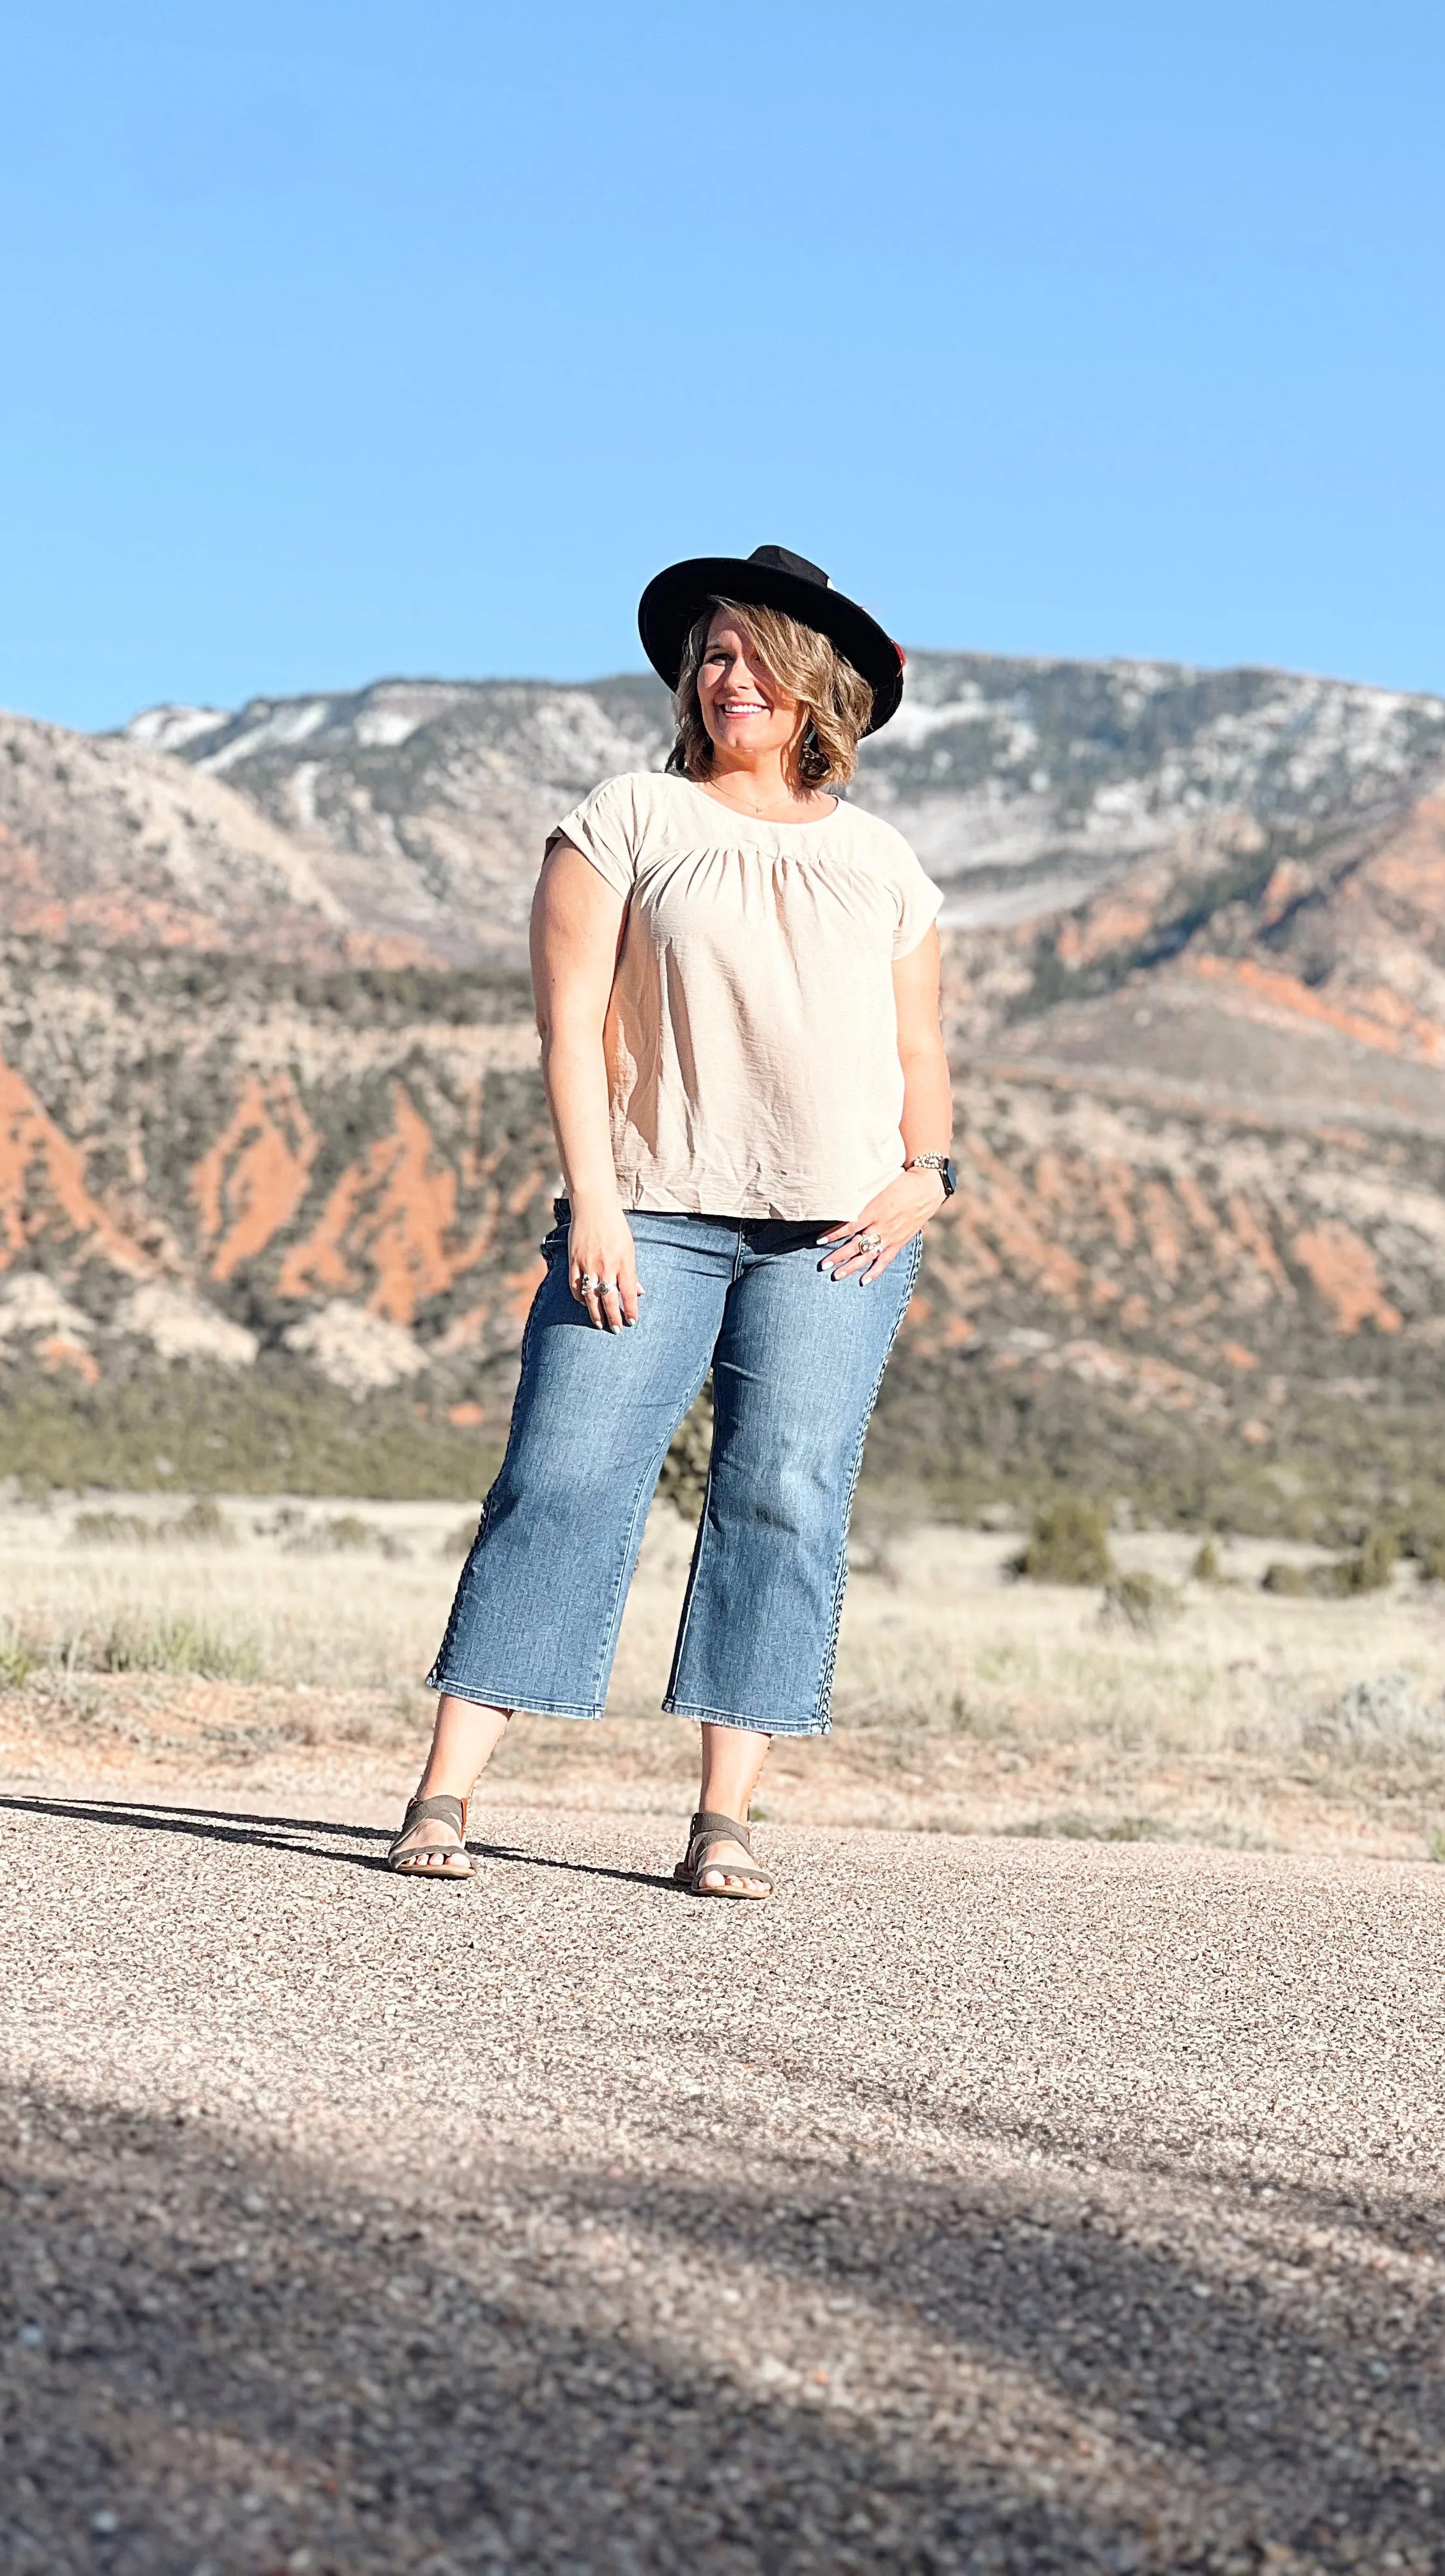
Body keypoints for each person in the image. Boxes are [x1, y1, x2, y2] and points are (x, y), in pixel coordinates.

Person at [389, 545, 955, 1897]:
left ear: (820, 686)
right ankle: (444, 1795)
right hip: (651, 1212)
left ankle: (725, 1821)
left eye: (757, 656)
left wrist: (931, 1173)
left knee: (783, 1499)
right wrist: (595, 1199)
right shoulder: (631, 817)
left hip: (839, 1238)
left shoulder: (884, 863)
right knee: (564, 1480)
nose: (729, 678)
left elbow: (919, 1049)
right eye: (712, 656)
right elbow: (568, 1025)